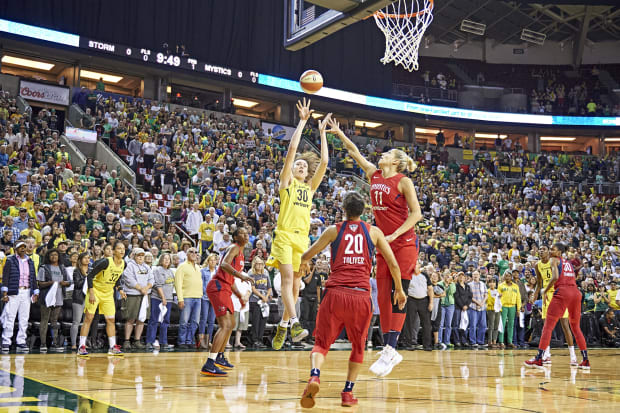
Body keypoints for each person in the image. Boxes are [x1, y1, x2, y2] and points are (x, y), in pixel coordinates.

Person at [328, 117, 422, 377]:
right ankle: (388, 348)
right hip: (385, 242)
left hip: (403, 243)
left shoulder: (404, 181)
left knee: (397, 293)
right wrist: (339, 132)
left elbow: (416, 215)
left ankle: (390, 349)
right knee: (382, 296)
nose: (383, 154)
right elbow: (353, 152)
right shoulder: (375, 174)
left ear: (396, 162)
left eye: (388, 153)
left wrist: (393, 235)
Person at [298, 192, 406, 408]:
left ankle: (315, 376)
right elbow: (394, 264)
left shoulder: (333, 230)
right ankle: (347, 393)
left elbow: (308, 254)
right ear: (364, 210)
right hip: (360, 295)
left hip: (335, 292)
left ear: (343, 209)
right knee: (358, 347)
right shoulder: (373, 232)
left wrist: (304, 264)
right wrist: (400, 290)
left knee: (321, 344)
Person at [270, 100, 330, 350]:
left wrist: (323, 134)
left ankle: (283, 327)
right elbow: (292, 150)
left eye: (304, 166)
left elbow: (324, 163)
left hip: (302, 240)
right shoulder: (287, 184)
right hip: (284, 236)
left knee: (295, 287)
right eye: (298, 165)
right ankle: (294, 323)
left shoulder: (309, 188)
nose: (301, 166)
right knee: (286, 281)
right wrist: (303, 121)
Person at [525, 243, 590, 370]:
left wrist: (546, 289)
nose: (549, 251)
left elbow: (555, 277)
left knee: (548, 327)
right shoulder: (568, 263)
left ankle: (539, 358)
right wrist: (538, 293)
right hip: (575, 293)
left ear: (559, 252)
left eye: (552, 249)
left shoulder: (554, 260)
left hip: (561, 292)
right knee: (575, 328)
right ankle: (585, 360)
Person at [201, 228, 255, 377]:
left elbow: (230, 279)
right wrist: (242, 276)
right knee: (225, 325)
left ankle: (219, 356)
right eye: (242, 233)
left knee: (231, 324)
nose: (245, 235)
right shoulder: (234, 247)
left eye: (247, 233)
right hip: (218, 286)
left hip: (225, 287)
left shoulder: (241, 252)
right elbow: (224, 264)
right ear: (236, 236)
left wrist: (239, 295)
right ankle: (209, 363)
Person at [78, 240, 127, 357]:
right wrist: (91, 292)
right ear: (114, 251)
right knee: (89, 318)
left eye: (124, 248)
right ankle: (81, 346)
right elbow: (90, 276)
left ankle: (112, 347)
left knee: (111, 320)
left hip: (108, 293)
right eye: (119, 248)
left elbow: (117, 277)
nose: (122, 250)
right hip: (95, 290)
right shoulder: (105, 262)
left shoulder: (124, 264)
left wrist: (120, 289)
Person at [532, 245, 578, 366]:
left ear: (549, 252)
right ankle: (547, 355)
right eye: (540, 249)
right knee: (546, 326)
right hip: (546, 296)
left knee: (565, 325)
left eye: (544, 249)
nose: (541, 251)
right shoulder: (537, 265)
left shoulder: (556, 262)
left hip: (558, 294)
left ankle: (573, 356)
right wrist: (535, 294)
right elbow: (539, 282)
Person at [1, 241, 39, 353]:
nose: (23, 249)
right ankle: (6, 341)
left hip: (26, 292)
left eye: (24, 247)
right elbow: (6, 278)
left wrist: (35, 292)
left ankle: (21, 341)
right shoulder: (10, 260)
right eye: (20, 247)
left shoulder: (30, 261)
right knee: (10, 317)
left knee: (24, 318)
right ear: (15, 249)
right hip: (14, 292)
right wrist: (5, 293)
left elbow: (33, 277)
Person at [37, 248, 71, 352]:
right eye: (51, 255)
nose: (54, 257)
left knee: (54, 321)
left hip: (59, 297)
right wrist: (50, 283)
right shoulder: (43, 267)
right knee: (44, 320)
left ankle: (55, 343)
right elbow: (40, 283)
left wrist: (63, 283)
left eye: (56, 255)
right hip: (46, 298)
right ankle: (43, 344)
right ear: (48, 256)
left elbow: (69, 282)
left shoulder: (62, 267)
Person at [122, 248, 153, 350]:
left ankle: (137, 340)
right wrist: (140, 288)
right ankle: (126, 341)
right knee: (130, 318)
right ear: (134, 256)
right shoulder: (129, 266)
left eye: (142, 255)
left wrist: (147, 288)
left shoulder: (147, 267)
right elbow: (128, 279)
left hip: (144, 295)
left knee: (141, 319)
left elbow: (152, 279)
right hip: (132, 295)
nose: (140, 257)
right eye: (138, 255)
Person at [145, 252, 175, 351]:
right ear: (161, 260)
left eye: (168, 259)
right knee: (154, 320)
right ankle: (150, 341)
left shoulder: (171, 271)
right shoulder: (157, 270)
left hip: (169, 299)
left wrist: (167, 298)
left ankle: (163, 342)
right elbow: (158, 285)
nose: (167, 260)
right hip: (158, 299)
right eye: (164, 258)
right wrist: (163, 298)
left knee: (165, 321)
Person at [175, 246, 203, 349]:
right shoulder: (182, 266)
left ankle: (189, 340)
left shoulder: (198, 268)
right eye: (191, 252)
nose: (194, 254)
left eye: (196, 252)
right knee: (184, 321)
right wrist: (180, 299)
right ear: (187, 254)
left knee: (195, 322)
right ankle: (182, 341)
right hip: (186, 297)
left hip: (198, 298)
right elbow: (178, 283)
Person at [248, 256, 272, 348]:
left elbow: (269, 287)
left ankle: (260, 339)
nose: (260, 265)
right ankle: (254, 340)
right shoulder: (251, 275)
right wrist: (262, 296)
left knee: (263, 321)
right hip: (255, 300)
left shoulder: (265, 275)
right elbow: (253, 288)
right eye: (258, 263)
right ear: (254, 264)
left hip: (265, 301)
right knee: (256, 321)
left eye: (261, 264)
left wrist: (266, 297)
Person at [198, 253, 218, 350]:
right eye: (211, 260)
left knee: (211, 320)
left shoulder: (218, 272)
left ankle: (209, 341)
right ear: (208, 261)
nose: (213, 262)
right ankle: (201, 341)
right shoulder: (203, 271)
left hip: (215, 299)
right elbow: (201, 284)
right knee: (204, 318)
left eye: (214, 260)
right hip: (205, 297)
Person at [70, 252, 90, 350]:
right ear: (80, 260)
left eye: (88, 258)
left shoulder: (91, 270)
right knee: (76, 322)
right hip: (78, 298)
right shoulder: (76, 271)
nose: (87, 259)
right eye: (85, 258)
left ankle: (83, 343)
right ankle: (73, 344)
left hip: (89, 298)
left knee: (86, 322)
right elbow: (77, 284)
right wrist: (87, 277)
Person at [498, 270, 521, 349]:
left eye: (509, 276)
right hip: (503, 306)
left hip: (512, 306)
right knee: (502, 324)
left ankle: (510, 342)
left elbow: (518, 298)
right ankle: (501, 341)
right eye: (506, 276)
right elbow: (497, 297)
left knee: (511, 325)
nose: (507, 277)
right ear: (504, 277)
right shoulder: (500, 286)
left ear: (511, 277)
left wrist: (518, 309)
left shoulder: (515, 286)